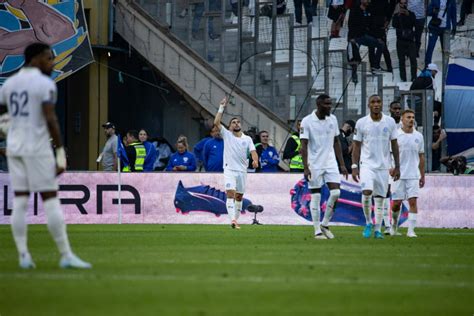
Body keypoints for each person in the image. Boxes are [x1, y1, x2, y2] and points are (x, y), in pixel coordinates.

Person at [0, 42, 91, 269]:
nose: (52, 63)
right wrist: (60, 153)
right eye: (49, 58)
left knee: (20, 200)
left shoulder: (9, 84)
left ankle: (23, 256)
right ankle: (66, 254)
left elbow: (2, 118)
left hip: (15, 148)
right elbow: (51, 119)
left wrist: (10, 136)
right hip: (37, 148)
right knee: (50, 199)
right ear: (36, 59)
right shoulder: (44, 84)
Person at [352, 94, 400, 239]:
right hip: (367, 165)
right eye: (373, 102)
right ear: (369, 105)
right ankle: (368, 223)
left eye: (378, 101)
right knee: (367, 192)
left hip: (383, 166)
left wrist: (397, 166)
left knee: (380, 198)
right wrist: (354, 166)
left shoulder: (390, 122)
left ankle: (378, 229)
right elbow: (356, 145)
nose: (376, 104)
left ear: (382, 104)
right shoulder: (361, 122)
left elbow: (394, 144)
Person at [301, 94, 348, 239]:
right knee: (316, 196)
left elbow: (336, 142)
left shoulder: (332, 119)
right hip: (314, 163)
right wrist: (305, 166)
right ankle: (317, 230)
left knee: (336, 193)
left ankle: (325, 224)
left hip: (330, 162)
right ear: (318, 104)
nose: (329, 107)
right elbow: (303, 145)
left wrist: (342, 164)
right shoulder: (307, 121)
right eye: (327, 104)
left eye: (330, 104)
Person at [214, 97, 258, 229]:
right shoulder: (226, 134)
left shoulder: (247, 138)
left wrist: (255, 160)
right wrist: (221, 107)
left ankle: (235, 220)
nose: (236, 123)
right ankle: (233, 220)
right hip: (229, 170)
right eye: (233, 122)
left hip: (242, 171)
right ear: (230, 126)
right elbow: (216, 122)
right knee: (230, 194)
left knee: (239, 196)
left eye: (238, 122)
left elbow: (253, 151)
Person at [390, 109, 425, 237]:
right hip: (398, 174)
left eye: (412, 117)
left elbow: (421, 157)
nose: (411, 119)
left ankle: (411, 231)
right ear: (402, 120)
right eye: (408, 117)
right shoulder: (396, 135)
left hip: (413, 175)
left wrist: (422, 175)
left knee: (413, 202)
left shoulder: (419, 136)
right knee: (396, 204)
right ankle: (394, 226)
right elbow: (388, 154)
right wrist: (391, 167)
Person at [424, 0, 456, 65]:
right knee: (430, 48)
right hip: (434, 28)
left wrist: (454, 27)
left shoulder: (451, 1)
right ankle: (427, 68)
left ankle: (445, 70)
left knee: (446, 52)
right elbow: (428, 12)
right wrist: (433, 11)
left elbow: (454, 14)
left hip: (446, 29)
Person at [392, 0, 418, 82]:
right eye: (401, 4)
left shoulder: (412, 14)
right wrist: (398, 15)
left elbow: (414, 23)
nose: (403, 5)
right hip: (400, 40)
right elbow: (394, 25)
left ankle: (414, 76)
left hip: (410, 40)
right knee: (401, 60)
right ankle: (403, 78)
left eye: (404, 3)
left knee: (413, 59)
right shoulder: (397, 15)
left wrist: (408, 15)